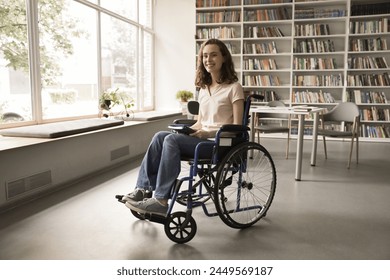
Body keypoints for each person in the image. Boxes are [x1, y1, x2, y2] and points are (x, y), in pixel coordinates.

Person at [122, 38, 244, 216]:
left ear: (224, 58)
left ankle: (161, 199)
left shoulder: (234, 88)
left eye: (214, 55)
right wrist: (189, 131)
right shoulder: (203, 90)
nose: (208, 59)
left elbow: (237, 127)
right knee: (160, 136)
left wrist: (207, 133)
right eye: (205, 56)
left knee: (171, 140)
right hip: (202, 140)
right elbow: (199, 122)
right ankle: (143, 189)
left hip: (220, 144)